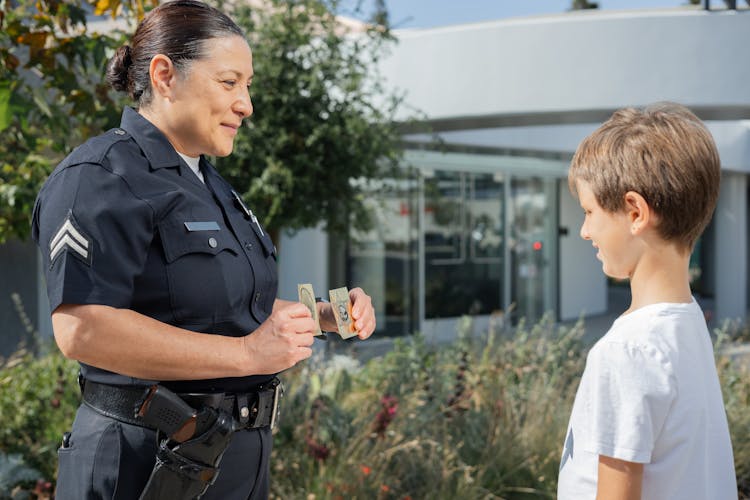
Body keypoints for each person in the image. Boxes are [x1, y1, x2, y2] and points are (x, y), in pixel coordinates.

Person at [30, 1, 376, 498]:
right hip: (143, 467)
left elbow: (224, 306)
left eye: (248, 86)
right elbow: (83, 328)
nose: (246, 105)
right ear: (165, 75)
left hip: (228, 462)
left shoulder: (212, 186)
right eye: (229, 82)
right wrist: (246, 354)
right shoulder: (100, 177)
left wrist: (320, 315)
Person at [557, 102, 737, 499]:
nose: (585, 231)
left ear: (635, 212)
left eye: (589, 212)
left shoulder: (627, 350)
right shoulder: (687, 323)